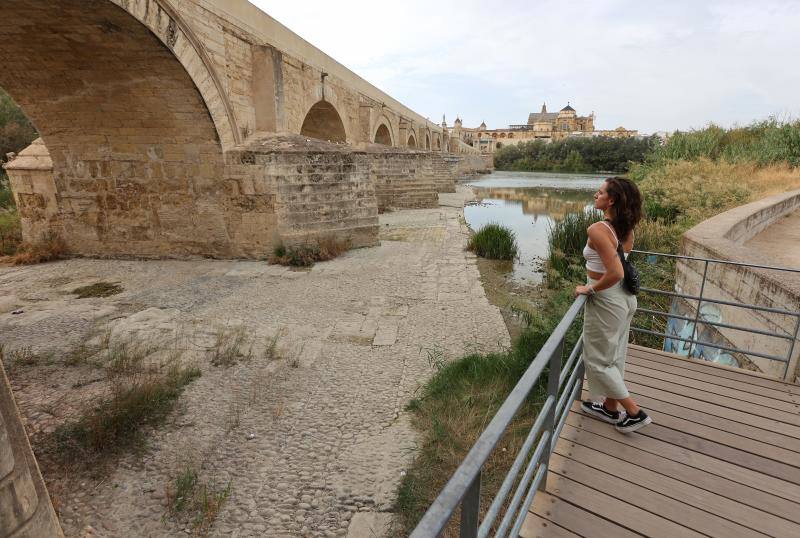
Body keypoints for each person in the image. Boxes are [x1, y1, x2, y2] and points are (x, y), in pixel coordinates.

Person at [574, 177, 652, 433]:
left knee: (596, 359)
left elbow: (616, 271)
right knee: (615, 355)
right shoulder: (626, 228)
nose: (595, 195)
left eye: (600, 192)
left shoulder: (598, 229)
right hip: (626, 300)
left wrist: (590, 288)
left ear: (612, 199)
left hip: (607, 299)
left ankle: (634, 412)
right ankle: (609, 407)